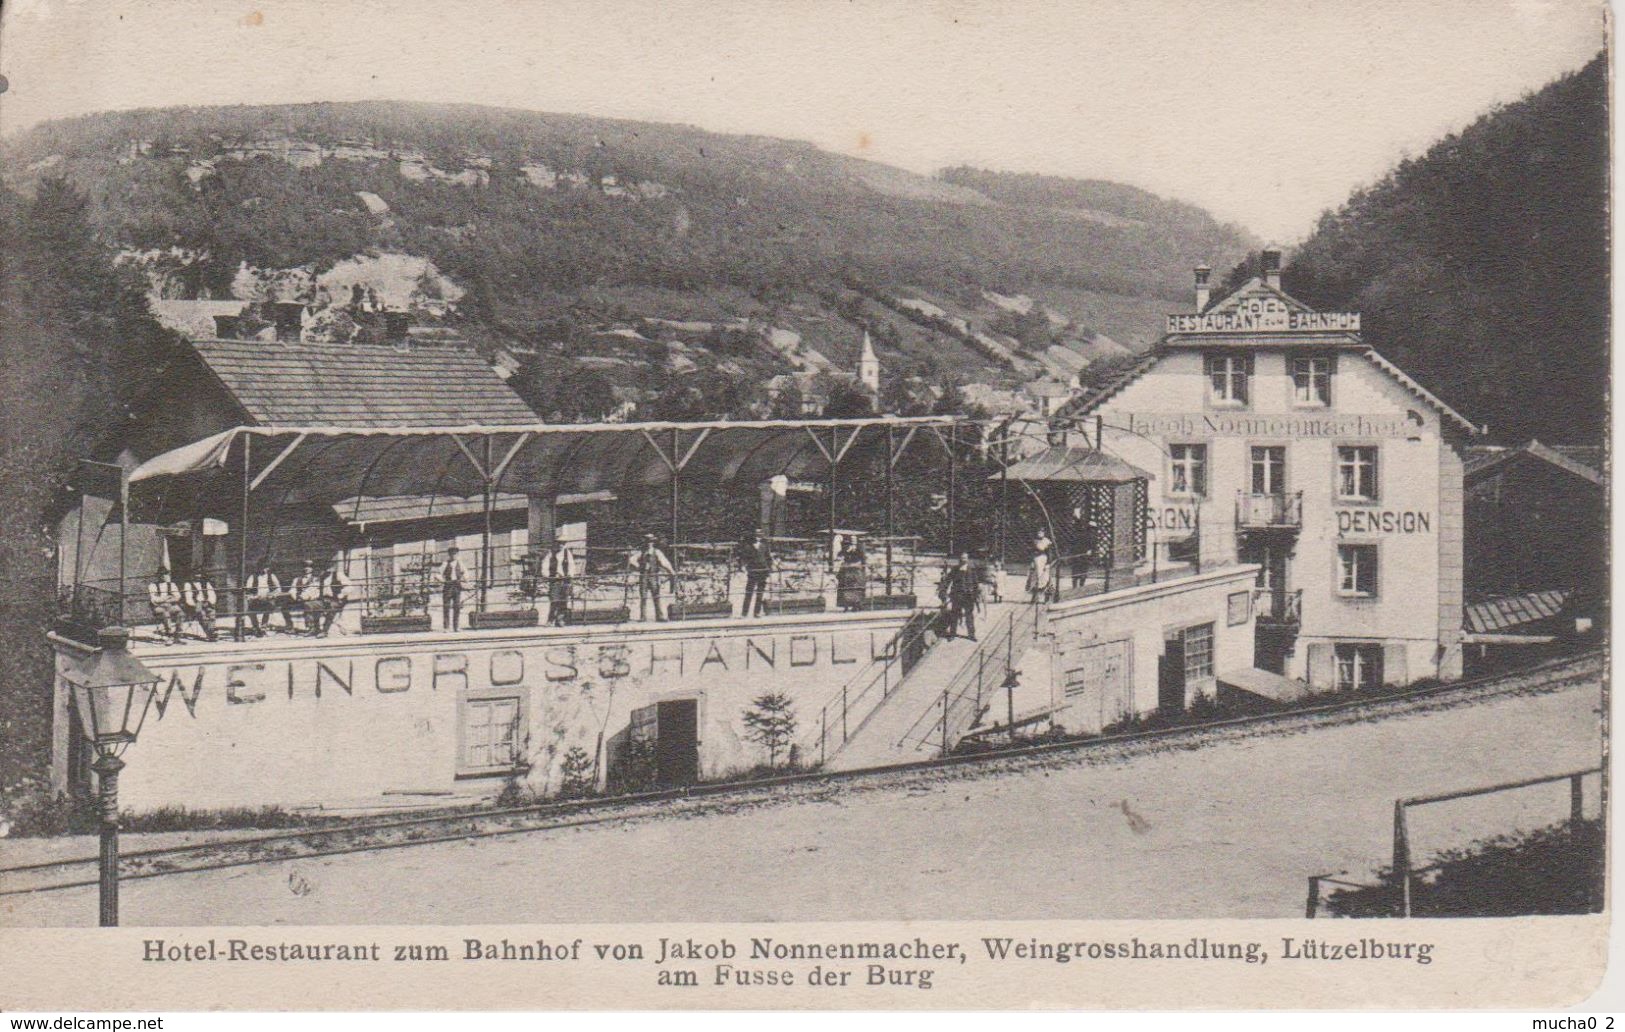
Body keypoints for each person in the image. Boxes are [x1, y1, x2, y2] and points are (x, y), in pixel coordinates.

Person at [629, 533, 675, 622]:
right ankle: (643, 617)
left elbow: (664, 562)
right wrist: (639, 566)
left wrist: (671, 571)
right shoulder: (641, 552)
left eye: (650, 541)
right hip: (643, 577)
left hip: (654, 576)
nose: (649, 543)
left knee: (657, 596)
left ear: (653, 542)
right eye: (647, 541)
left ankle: (660, 616)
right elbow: (632, 560)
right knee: (643, 597)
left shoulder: (657, 552)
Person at [244, 562, 292, 635]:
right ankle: (256, 627)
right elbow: (248, 589)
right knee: (251, 610)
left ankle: (264, 626)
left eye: (266, 568)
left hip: (268, 598)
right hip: (256, 597)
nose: (264, 570)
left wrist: (273, 594)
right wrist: (252, 596)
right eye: (262, 567)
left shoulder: (271, 576)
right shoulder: (253, 576)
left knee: (268, 608)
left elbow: (278, 588)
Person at [942, 552, 981, 640]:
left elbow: (976, 584)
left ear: (967, 559)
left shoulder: (972, 570)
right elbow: (948, 580)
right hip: (957, 595)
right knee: (954, 615)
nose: (963, 560)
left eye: (965, 558)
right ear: (959, 559)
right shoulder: (955, 569)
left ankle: (971, 635)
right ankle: (952, 634)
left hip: (968, 596)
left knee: (969, 616)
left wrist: (976, 595)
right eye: (962, 558)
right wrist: (943, 590)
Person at [736, 529, 774, 618]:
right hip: (752, 571)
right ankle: (744, 613)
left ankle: (756, 612)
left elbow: (768, 558)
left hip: (763, 571)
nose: (758, 536)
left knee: (760, 593)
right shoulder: (748, 546)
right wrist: (744, 567)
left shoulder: (765, 545)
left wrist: (769, 569)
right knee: (749, 592)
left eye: (760, 534)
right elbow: (743, 558)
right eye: (756, 534)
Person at [541, 540, 576, 626]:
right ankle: (550, 619)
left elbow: (572, 566)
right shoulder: (551, 553)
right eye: (559, 543)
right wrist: (548, 575)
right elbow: (544, 566)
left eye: (563, 543)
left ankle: (560, 620)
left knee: (564, 600)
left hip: (565, 579)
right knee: (554, 600)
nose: (561, 545)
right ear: (556, 544)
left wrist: (570, 575)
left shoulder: (567, 553)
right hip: (555, 580)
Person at [147, 570, 183, 643]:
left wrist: (165, 599)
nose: (164, 576)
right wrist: (168, 597)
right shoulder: (152, 585)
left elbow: (178, 597)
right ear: (158, 576)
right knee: (165, 614)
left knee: (180, 613)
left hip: (170, 605)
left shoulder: (172, 585)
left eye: (166, 574)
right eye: (162, 575)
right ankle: (169, 634)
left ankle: (178, 635)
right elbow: (154, 599)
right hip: (158, 607)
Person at [440, 545, 469, 632]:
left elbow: (466, 573)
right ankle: (446, 627)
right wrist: (442, 581)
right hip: (448, 586)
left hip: (457, 586)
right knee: (446, 607)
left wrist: (466, 579)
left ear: (457, 554)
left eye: (455, 554)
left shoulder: (460, 563)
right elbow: (437, 574)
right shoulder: (445, 563)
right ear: (449, 555)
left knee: (457, 607)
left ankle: (456, 627)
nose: (453, 555)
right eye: (452, 554)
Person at [292, 560, 326, 635]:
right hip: (301, 600)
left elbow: (314, 590)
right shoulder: (297, 579)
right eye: (305, 567)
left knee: (308, 605)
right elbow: (292, 590)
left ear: (312, 569)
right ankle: (291, 626)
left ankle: (312, 628)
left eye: (309, 567)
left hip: (314, 600)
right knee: (285, 607)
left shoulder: (316, 579)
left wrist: (305, 597)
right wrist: (296, 597)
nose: (307, 569)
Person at [182, 574, 219, 642]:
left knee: (212, 613)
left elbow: (212, 594)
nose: (198, 576)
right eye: (196, 575)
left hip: (206, 602)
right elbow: (188, 598)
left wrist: (209, 602)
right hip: (196, 603)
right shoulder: (188, 584)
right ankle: (211, 634)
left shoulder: (206, 583)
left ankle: (211, 631)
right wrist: (195, 604)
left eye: (199, 575)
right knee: (202, 614)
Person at [836, 537, 867, 611]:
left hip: (855, 572)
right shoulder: (845, 550)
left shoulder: (859, 550)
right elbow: (839, 556)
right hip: (847, 572)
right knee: (846, 589)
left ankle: (857, 605)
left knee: (856, 588)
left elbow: (862, 560)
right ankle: (846, 605)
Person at [319, 562, 350, 635]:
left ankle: (324, 631)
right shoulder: (322, 577)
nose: (328, 569)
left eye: (329, 567)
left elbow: (349, 586)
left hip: (337, 599)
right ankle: (314, 629)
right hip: (325, 599)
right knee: (312, 604)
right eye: (325, 567)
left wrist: (341, 595)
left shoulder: (338, 575)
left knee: (332, 607)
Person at [1028, 529, 1056, 604]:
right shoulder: (1034, 541)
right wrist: (1032, 561)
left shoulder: (1046, 541)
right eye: (1038, 532)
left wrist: (1048, 563)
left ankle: (1047, 597)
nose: (1039, 533)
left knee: (1045, 578)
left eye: (1041, 532)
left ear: (1044, 533)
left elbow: (1049, 553)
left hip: (1043, 560)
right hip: (1036, 560)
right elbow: (1031, 552)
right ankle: (1034, 597)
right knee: (1035, 578)